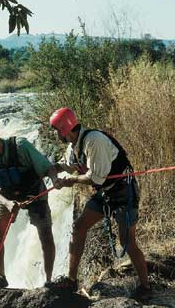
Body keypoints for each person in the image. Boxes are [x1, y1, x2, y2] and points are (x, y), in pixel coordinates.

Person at [48, 107, 152, 302]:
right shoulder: (74, 146)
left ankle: (146, 286)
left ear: (65, 129)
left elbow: (96, 177)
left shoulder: (93, 141)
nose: (56, 135)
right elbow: (61, 165)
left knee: (127, 240)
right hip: (106, 192)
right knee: (79, 227)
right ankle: (71, 280)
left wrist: (72, 180)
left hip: (123, 191)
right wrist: (53, 175)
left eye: (56, 130)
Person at [0, 123, 66, 289]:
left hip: (34, 194)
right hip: (7, 198)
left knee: (46, 235)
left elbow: (47, 168)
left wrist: (55, 179)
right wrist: (7, 203)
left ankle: (48, 281)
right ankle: (1, 276)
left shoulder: (21, 147)